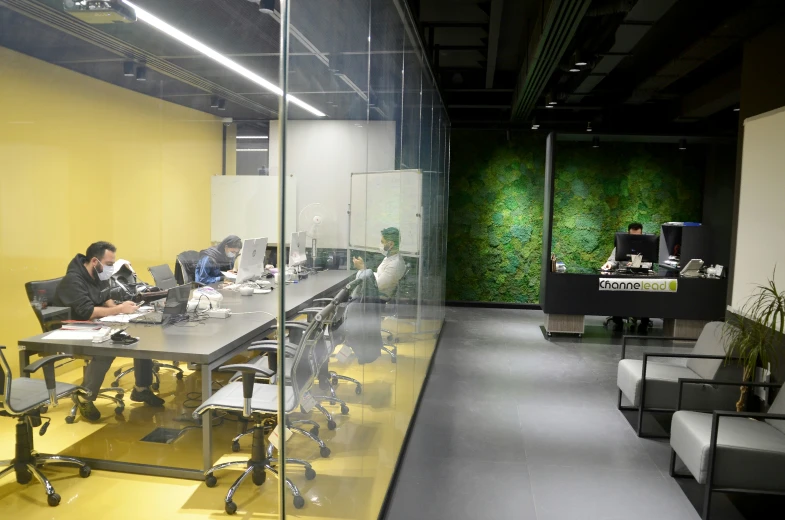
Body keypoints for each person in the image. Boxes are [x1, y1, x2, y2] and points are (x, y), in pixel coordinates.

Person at [53, 241, 165, 421]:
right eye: (110, 264)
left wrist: (121, 308)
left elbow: (105, 299)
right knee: (107, 349)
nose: (112, 268)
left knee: (141, 337)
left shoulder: (96, 275)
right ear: (95, 261)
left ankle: (141, 390)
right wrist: (119, 310)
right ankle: (85, 397)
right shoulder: (73, 280)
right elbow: (86, 312)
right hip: (73, 327)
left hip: (94, 324)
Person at [601, 223, 650, 333]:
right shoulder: (620, 245)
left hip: (641, 278)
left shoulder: (646, 246)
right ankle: (618, 321)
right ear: (628, 234)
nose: (635, 238)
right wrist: (609, 264)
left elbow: (649, 264)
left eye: (638, 235)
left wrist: (638, 265)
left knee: (647, 296)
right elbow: (612, 260)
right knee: (617, 294)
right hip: (623, 277)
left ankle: (644, 323)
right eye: (633, 235)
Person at [351, 227, 406, 300]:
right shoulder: (389, 257)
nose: (381, 245)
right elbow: (379, 276)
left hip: (377, 299)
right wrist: (365, 270)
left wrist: (363, 269)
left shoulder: (395, 264)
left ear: (390, 244)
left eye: (383, 242)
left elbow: (376, 286)